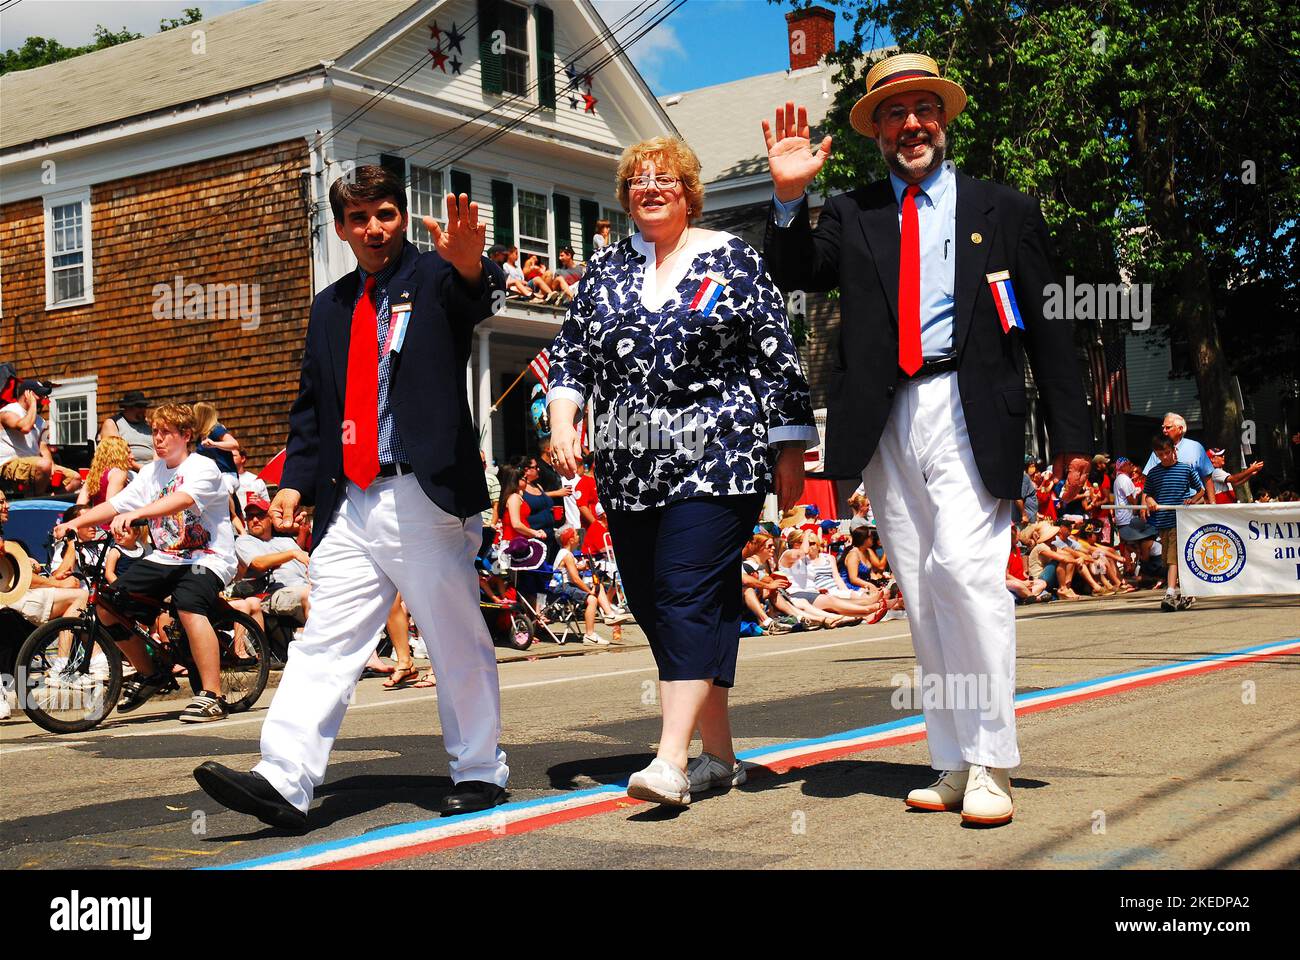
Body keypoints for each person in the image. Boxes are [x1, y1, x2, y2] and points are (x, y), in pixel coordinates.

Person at [762, 53, 1092, 827]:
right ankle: (950, 759)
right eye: (892, 113)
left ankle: (992, 762)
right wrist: (786, 200)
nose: (910, 124)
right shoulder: (852, 210)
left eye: (922, 109)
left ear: (944, 119)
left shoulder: (1004, 209)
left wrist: (1075, 434)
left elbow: (1049, 327)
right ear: (876, 129)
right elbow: (800, 271)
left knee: (969, 578)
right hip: (884, 418)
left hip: (970, 403)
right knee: (922, 590)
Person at [192, 164, 509, 831]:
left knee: (453, 639)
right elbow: (313, 410)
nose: (374, 229)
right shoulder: (331, 307)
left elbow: (476, 301)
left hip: (425, 493)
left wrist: (471, 264)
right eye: (359, 218)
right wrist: (294, 484)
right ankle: (284, 779)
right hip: (352, 498)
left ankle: (480, 770)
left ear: (400, 216)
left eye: (386, 214)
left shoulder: (435, 277)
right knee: (323, 640)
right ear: (341, 228)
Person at [547, 135, 816, 807]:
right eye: (638, 179)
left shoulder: (732, 257)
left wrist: (789, 448)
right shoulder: (605, 269)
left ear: (689, 190)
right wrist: (562, 419)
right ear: (624, 195)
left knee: (685, 591)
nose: (650, 187)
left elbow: (775, 354)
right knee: (658, 602)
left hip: (720, 456)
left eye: (664, 177)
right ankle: (721, 757)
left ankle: (669, 760)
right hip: (629, 466)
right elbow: (572, 355)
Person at [52, 402, 237, 722]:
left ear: (186, 435)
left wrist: (138, 514)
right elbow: (115, 504)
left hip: (208, 557)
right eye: (155, 432)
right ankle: (151, 674)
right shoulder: (151, 473)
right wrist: (72, 523)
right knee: (107, 608)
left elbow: (183, 499)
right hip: (166, 557)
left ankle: (212, 695)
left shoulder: (202, 467)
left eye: (167, 432)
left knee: (189, 604)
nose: (159, 439)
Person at [1143, 434, 1207, 612]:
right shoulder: (1154, 473)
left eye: (1167, 452)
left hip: (1182, 520)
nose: (1164, 456)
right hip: (1162, 521)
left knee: (1173, 558)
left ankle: (1170, 592)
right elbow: (1148, 494)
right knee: (1170, 559)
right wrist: (1149, 501)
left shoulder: (1185, 469)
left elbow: (1200, 490)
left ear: (1173, 451)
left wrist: (1192, 500)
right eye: (1160, 454)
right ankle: (1188, 592)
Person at [0, 380, 82, 495]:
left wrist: (52, 468)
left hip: (36, 465)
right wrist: (32, 404)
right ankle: (36, 499)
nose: (43, 398)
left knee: (75, 479)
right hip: (9, 462)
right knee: (44, 465)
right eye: (39, 395)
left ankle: (49, 499)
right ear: (27, 395)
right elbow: (25, 427)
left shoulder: (41, 421)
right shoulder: (8, 412)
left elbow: (43, 448)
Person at [1142, 412, 1216, 502]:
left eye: (1168, 427)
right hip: (1165, 505)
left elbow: (1207, 477)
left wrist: (1213, 503)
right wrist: (1144, 506)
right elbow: (1148, 480)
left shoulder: (1196, 447)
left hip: (1192, 503)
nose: (1164, 430)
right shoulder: (1158, 450)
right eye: (1163, 428)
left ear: (1180, 429)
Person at [75, 435, 137, 525]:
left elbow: (79, 508)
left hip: (99, 528)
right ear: (117, 454)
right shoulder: (119, 473)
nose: (132, 456)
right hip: (117, 529)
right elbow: (111, 507)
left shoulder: (93, 475)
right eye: (128, 452)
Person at [99, 390, 156, 464]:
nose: (143, 409)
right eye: (139, 406)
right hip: (128, 470)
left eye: (144, 406)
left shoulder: (148, 425)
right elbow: (115, 457)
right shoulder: (113, 424)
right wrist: (142, 470)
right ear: (128, 407)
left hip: (153, 469)